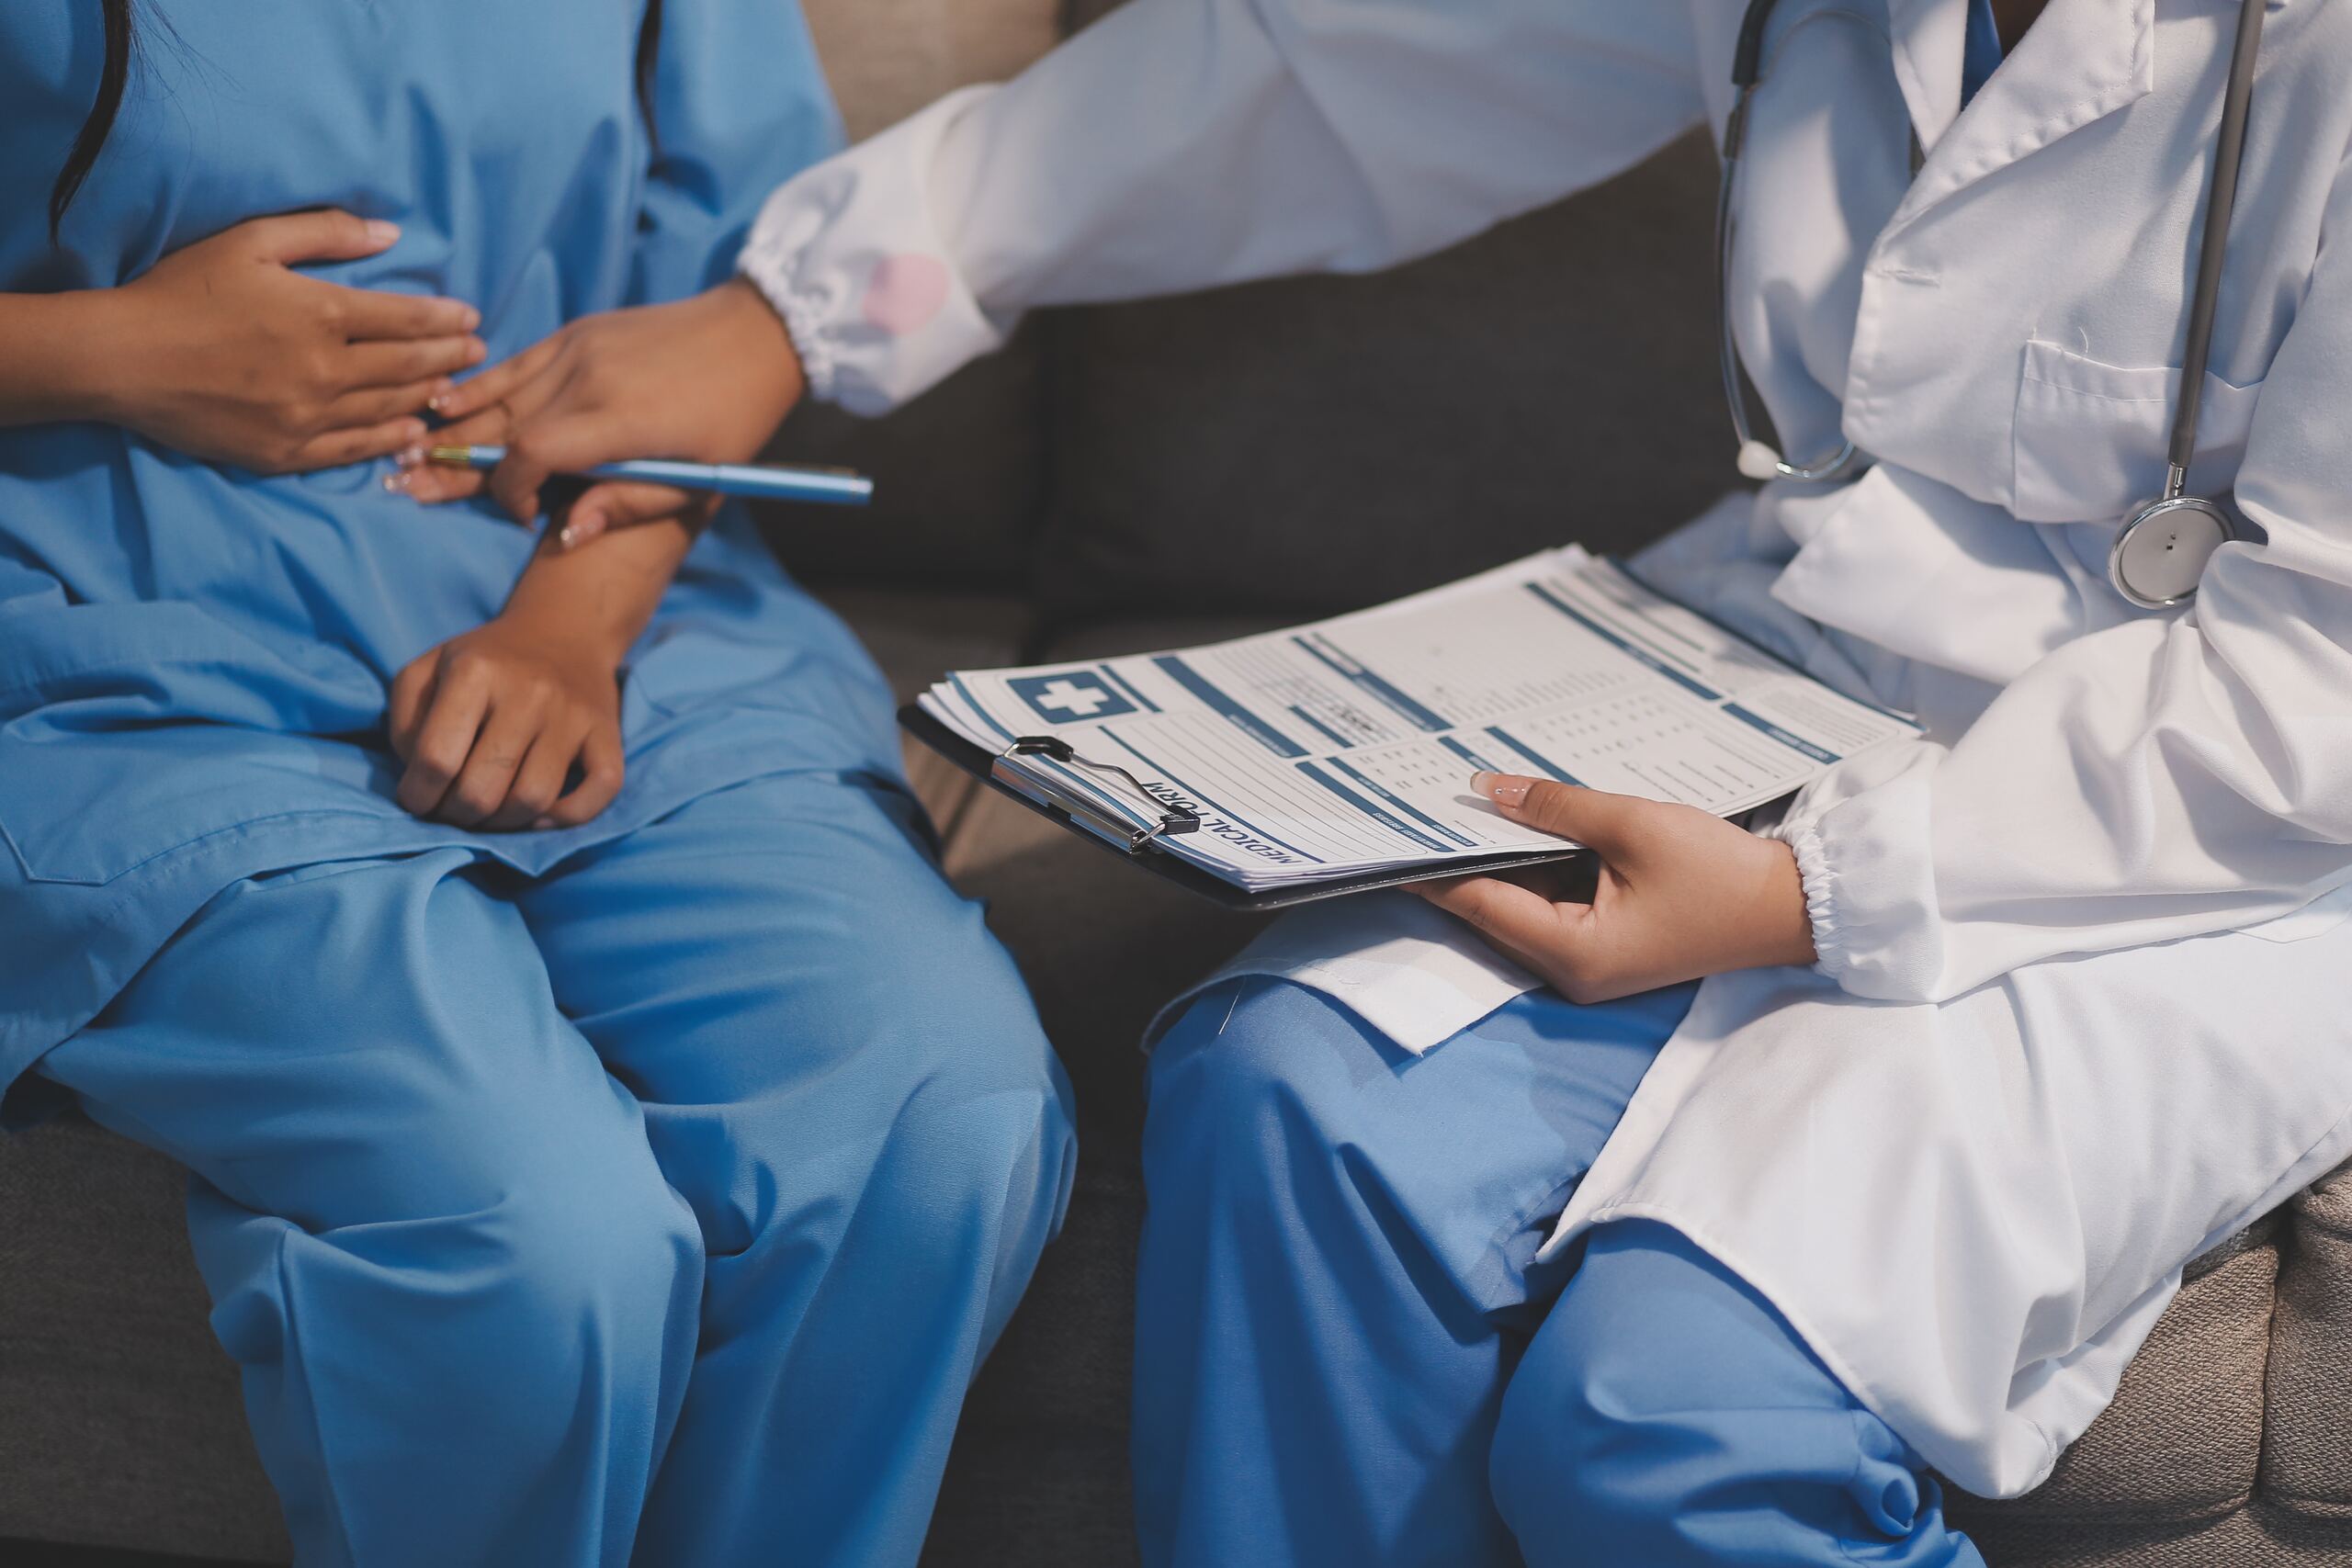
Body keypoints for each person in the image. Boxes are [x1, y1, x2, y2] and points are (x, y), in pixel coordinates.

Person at [403, 0, 2352, 1562]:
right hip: (1791, 673)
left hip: (2205, 840)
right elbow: (1334, 70)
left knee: (1673, 1424)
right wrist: (792, 308)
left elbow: (2317, 689)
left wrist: (1802, 896)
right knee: (1286, 1091)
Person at [0, 4, 1074, 1564]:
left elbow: (730, 308)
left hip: (623, 626)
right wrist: (105, 352)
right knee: (539, 1240)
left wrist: (573, 622)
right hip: (111, 647)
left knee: (940, 1119)